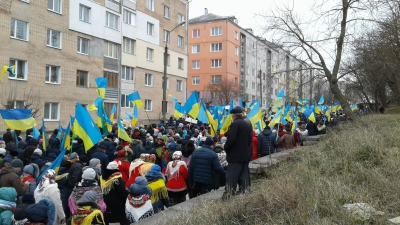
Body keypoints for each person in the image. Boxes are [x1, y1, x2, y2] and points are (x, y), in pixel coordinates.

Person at [223, 107, 252, 199]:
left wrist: (225, 146)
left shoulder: (235, 124)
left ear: (233, 116)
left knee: (232, 176)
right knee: (244, 176)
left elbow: (232, 140)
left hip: (235, 157)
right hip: (245, 155)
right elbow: (249, 140)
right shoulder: (247, 123)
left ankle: (228, 195)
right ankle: (245, 193)